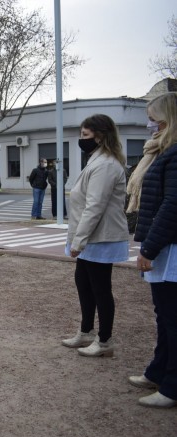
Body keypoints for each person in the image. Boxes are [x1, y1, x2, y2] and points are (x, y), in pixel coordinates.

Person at [62, 114, 129, 357]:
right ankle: (87, 331)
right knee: (84, 283)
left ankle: (104, 341)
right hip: (92, 235)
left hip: (100, 237)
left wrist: (78, 241)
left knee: (100, 288)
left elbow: (95, 206)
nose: (82, 140)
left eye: (85, 135)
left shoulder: (106, 164)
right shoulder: (97, 161)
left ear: (100, 137)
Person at [129, 92, 177, 409]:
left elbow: (172, 205)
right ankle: (158, 370)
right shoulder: (165, 152)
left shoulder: (174, 155)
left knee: (173, 320)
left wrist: (149, 246)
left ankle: (173, 386)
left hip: (170, 248)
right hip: (164, 246)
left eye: (154, 117)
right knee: (164, 317)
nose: (150, 124)